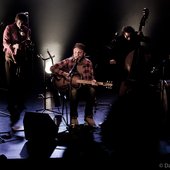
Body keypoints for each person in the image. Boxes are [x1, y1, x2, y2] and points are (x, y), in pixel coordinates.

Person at [50, 43, 97, 128]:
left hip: (84, 87)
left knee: (92, 90)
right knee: (74, 91)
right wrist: (64, 73)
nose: (77, 54)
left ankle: (88, 117)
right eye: (75, 52)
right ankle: (73, 117)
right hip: (70, 88)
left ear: (84, 54)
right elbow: (52, 68)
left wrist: (93, 81)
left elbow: (91, 77)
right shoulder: (69, 61)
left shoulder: (88, 63)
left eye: (79, 52)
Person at [3, 12, 32, 128]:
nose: (21, 24)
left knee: (21, 80)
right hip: (10, 57)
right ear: (16, 21)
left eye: (23, 22)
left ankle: (20, 102)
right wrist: (14, 46)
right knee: (11, 81)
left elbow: (29, 41)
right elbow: (5, 42)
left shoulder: (26, 29)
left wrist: (26, 42)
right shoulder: (9, 28)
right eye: (19, 22)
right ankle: (10, 105)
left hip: (21, 57)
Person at [108, 25, 150, 96]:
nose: (129, 38)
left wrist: (142, 36)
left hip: (135, 66)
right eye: (127, 36)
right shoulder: (119, 40)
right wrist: (113, 59)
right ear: (124, 33)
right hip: (123, 65)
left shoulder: (135, 37)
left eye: (130, 36)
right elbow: (114, 51)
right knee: (123, 84)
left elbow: (148, 40)